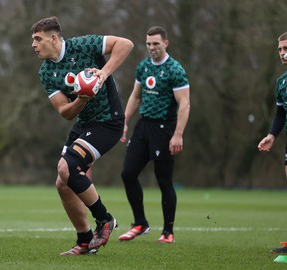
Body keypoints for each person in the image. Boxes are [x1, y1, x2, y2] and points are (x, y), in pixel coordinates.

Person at [31, 16, 133, 255]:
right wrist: (82, 98)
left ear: (53, 38)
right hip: (84, 122)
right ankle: (85, 241)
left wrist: (103, 74)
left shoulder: (83, 45)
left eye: (38, 39)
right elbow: (64, 112)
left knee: (68, 168)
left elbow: (125, 44)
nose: (33, 45)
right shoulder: (46, 72)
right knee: (63, 182)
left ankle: (105, 219)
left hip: (109, 121)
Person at [118, 26, 190, 244]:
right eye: (148, 44)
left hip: (165, 129)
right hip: (143, 127)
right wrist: (124, 121)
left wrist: (178, 134)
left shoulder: (175, 70)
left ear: (166, 43)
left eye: (156, 44)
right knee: (127, 173)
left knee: (163, 180)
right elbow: (135, 96)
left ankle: (168, 232)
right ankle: (140, 223)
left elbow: (184, 103)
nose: (151, 48)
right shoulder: (143, 66)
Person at [257, 32, 287, 254]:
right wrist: (272, 135)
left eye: (286, 49)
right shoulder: (282, 83)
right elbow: (280, 114)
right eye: (280, 50)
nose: (283, 54)